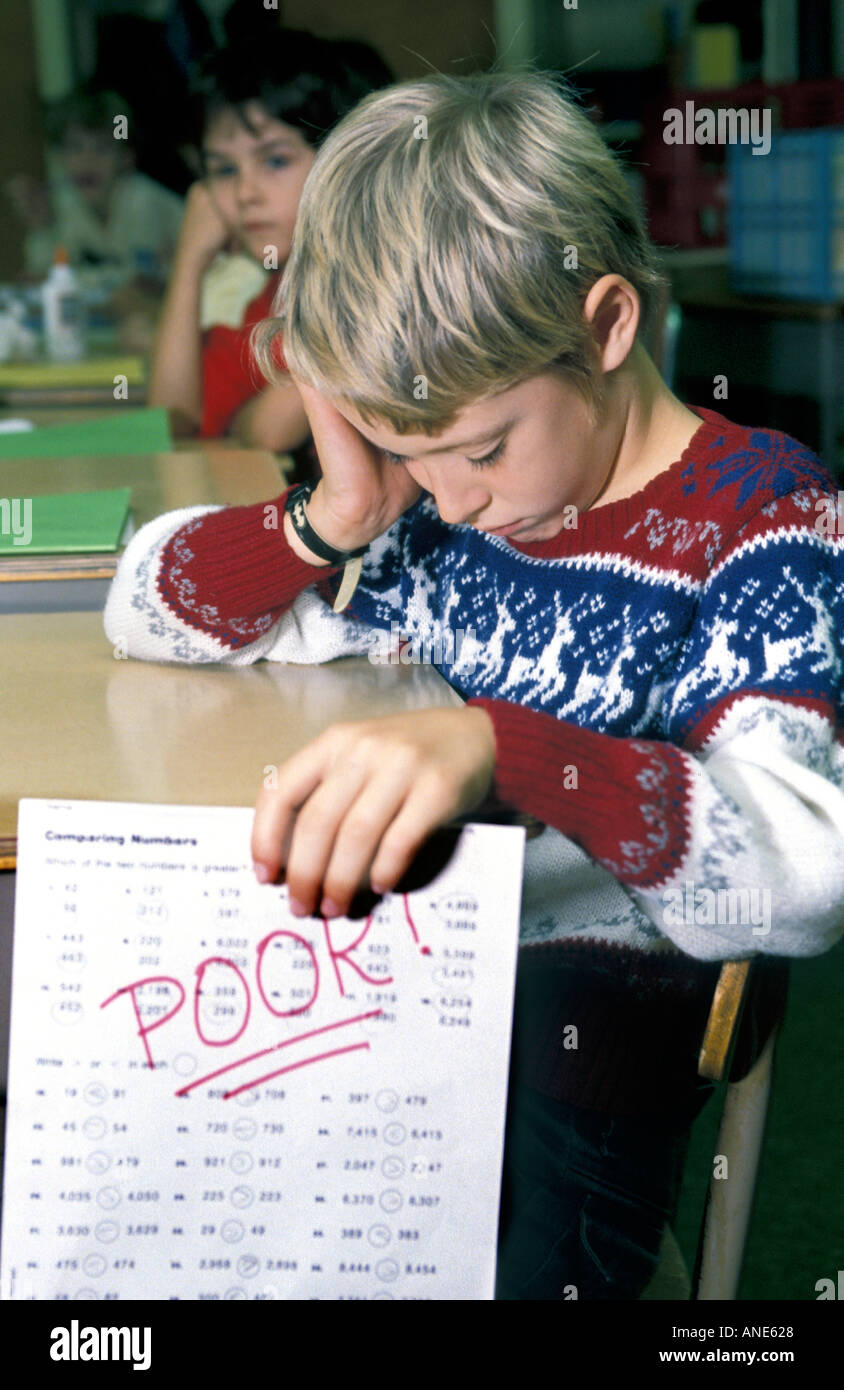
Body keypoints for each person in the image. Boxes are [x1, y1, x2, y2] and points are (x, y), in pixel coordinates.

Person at [104, 72, 844, 1299]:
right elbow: (142, 606)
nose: (448, 502)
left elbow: (805, 868)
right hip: (369, 1001)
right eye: (409, 454)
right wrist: (331, 517)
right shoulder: (438, 508)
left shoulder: (762, 517)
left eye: (482, 448)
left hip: (576, 1056)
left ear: (606, 327)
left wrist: (508, 751)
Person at [147, 29, 392, 453]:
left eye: (276, 160)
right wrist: (189, 264)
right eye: (224, 170)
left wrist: (244, 424)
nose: (245, 193)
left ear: (346, 160)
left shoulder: (378, 288)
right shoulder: (279, 295)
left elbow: (267, 433)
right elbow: (174, 420)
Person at [8, 87, 183, 303]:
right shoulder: (66, 202)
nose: (87, 160)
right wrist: (42, 226)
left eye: (102, 148)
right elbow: (40, 277)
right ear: (60, 157)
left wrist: (73, 280)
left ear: (126, 157)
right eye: (75, 148)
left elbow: (142, 283)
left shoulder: (140, 200)